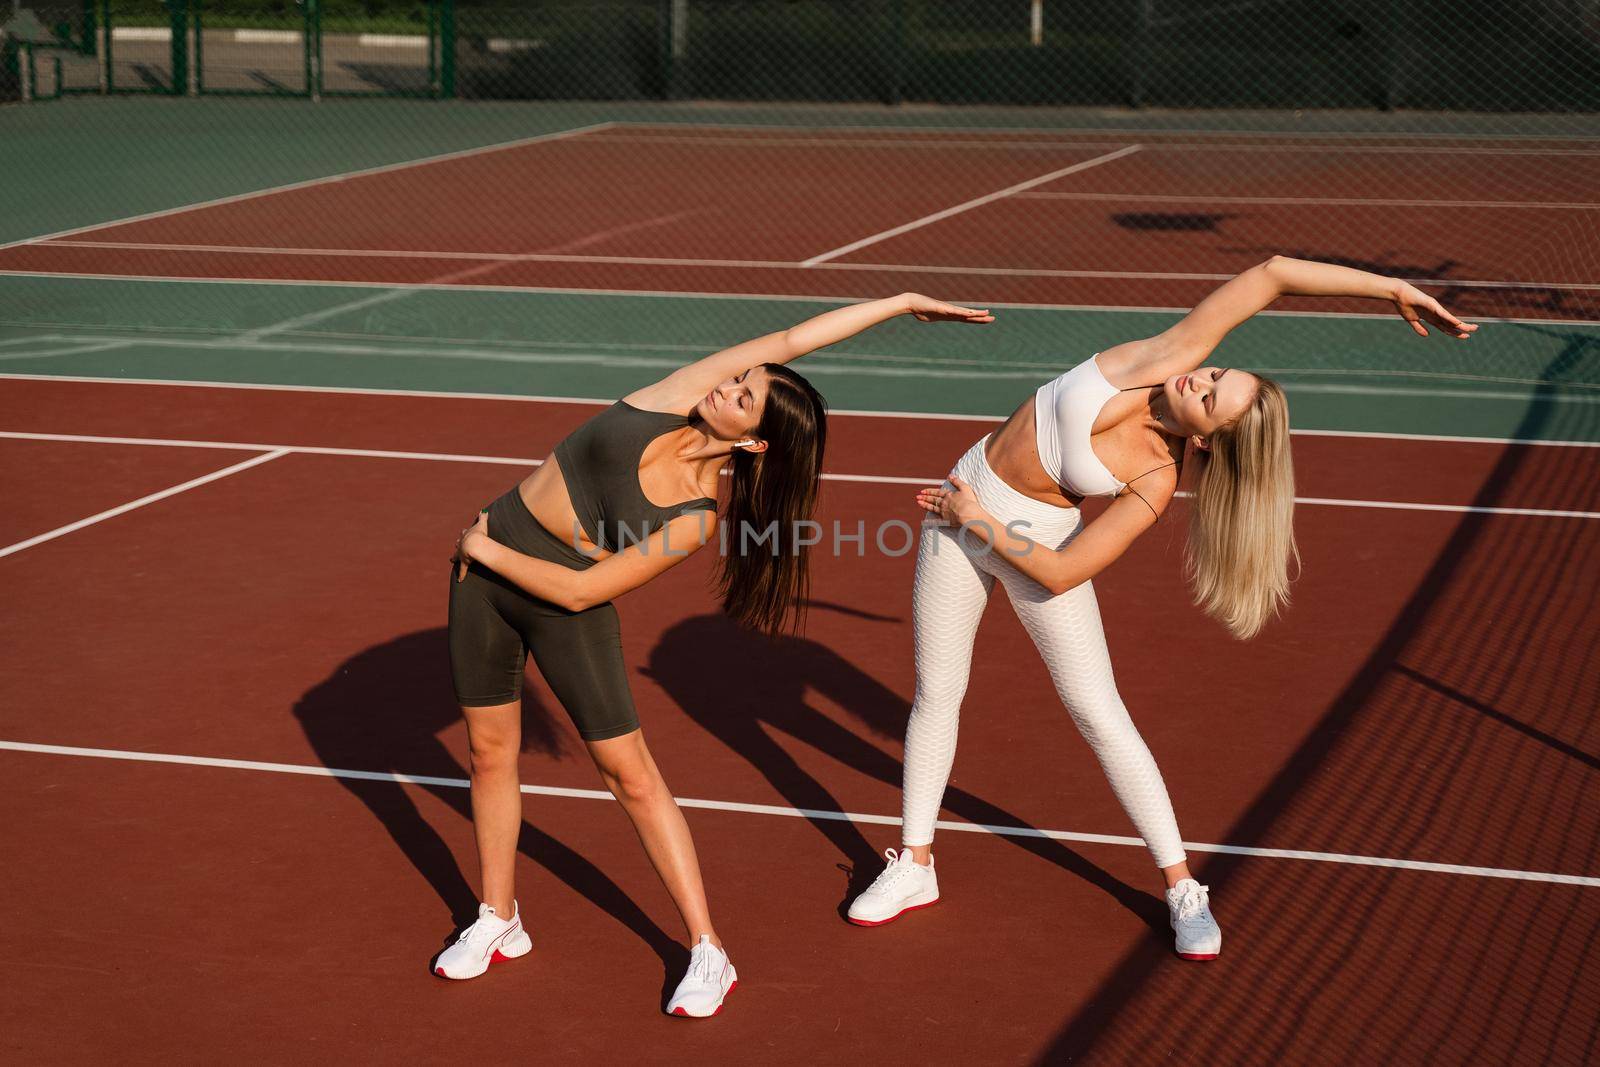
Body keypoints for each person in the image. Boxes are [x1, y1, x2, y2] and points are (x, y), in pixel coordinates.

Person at [847, 257, 1476, 960]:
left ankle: (1181, 887)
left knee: (1098, 711)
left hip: (1025, 544)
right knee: (938, 693)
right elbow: (1270, 274)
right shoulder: (1160, 358)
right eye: (1216, 374)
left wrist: (979, 520)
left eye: (1211, 397)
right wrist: (1391, 287)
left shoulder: (1154, 477)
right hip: (961, 504)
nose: (1200, 379)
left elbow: (1062, 569)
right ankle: (916, 864)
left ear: (1205, 439)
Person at [438, 292, 993, 1015]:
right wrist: (898, 304)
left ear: (755, 442)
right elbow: (796, 334)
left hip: (544, 595)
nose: (725, 387)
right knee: (488, 753)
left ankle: (707, 949)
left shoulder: (695, 516)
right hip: (481, 587)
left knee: (629, 775)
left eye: (743, 396)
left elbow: (584, 592)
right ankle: (498, 916)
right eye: (737, 378)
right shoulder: (672, 396)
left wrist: (483, 548)